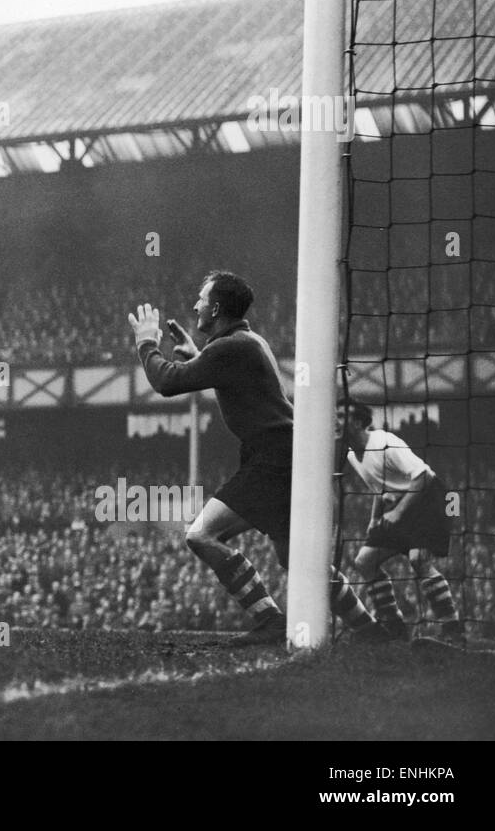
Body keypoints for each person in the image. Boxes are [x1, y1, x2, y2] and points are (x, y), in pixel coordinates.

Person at [128, 270, 382, 645]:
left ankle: (270, 619)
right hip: (288, 454)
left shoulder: (232, 347)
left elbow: (167, 382)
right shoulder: (245, 342)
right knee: (298, 559)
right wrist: (198, 357)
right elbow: (242, 391)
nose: (195, 304)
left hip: (274, 457)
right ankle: (368, 629)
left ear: (215, 307)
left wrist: (146, 344)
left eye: (201, 298)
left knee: (201, 535)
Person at [338, 403, 462, 640]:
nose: (336, 420)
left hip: (429, 500)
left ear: (357, 422)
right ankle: (393, 626)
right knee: (365, 561)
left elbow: (423, 476)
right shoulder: (353, 455)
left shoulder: (385, 442)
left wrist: (396, 514)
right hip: (398, 504)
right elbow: (380, 488)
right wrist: (375, 518)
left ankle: (452, 629)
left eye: (342, 416)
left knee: (419, 560)